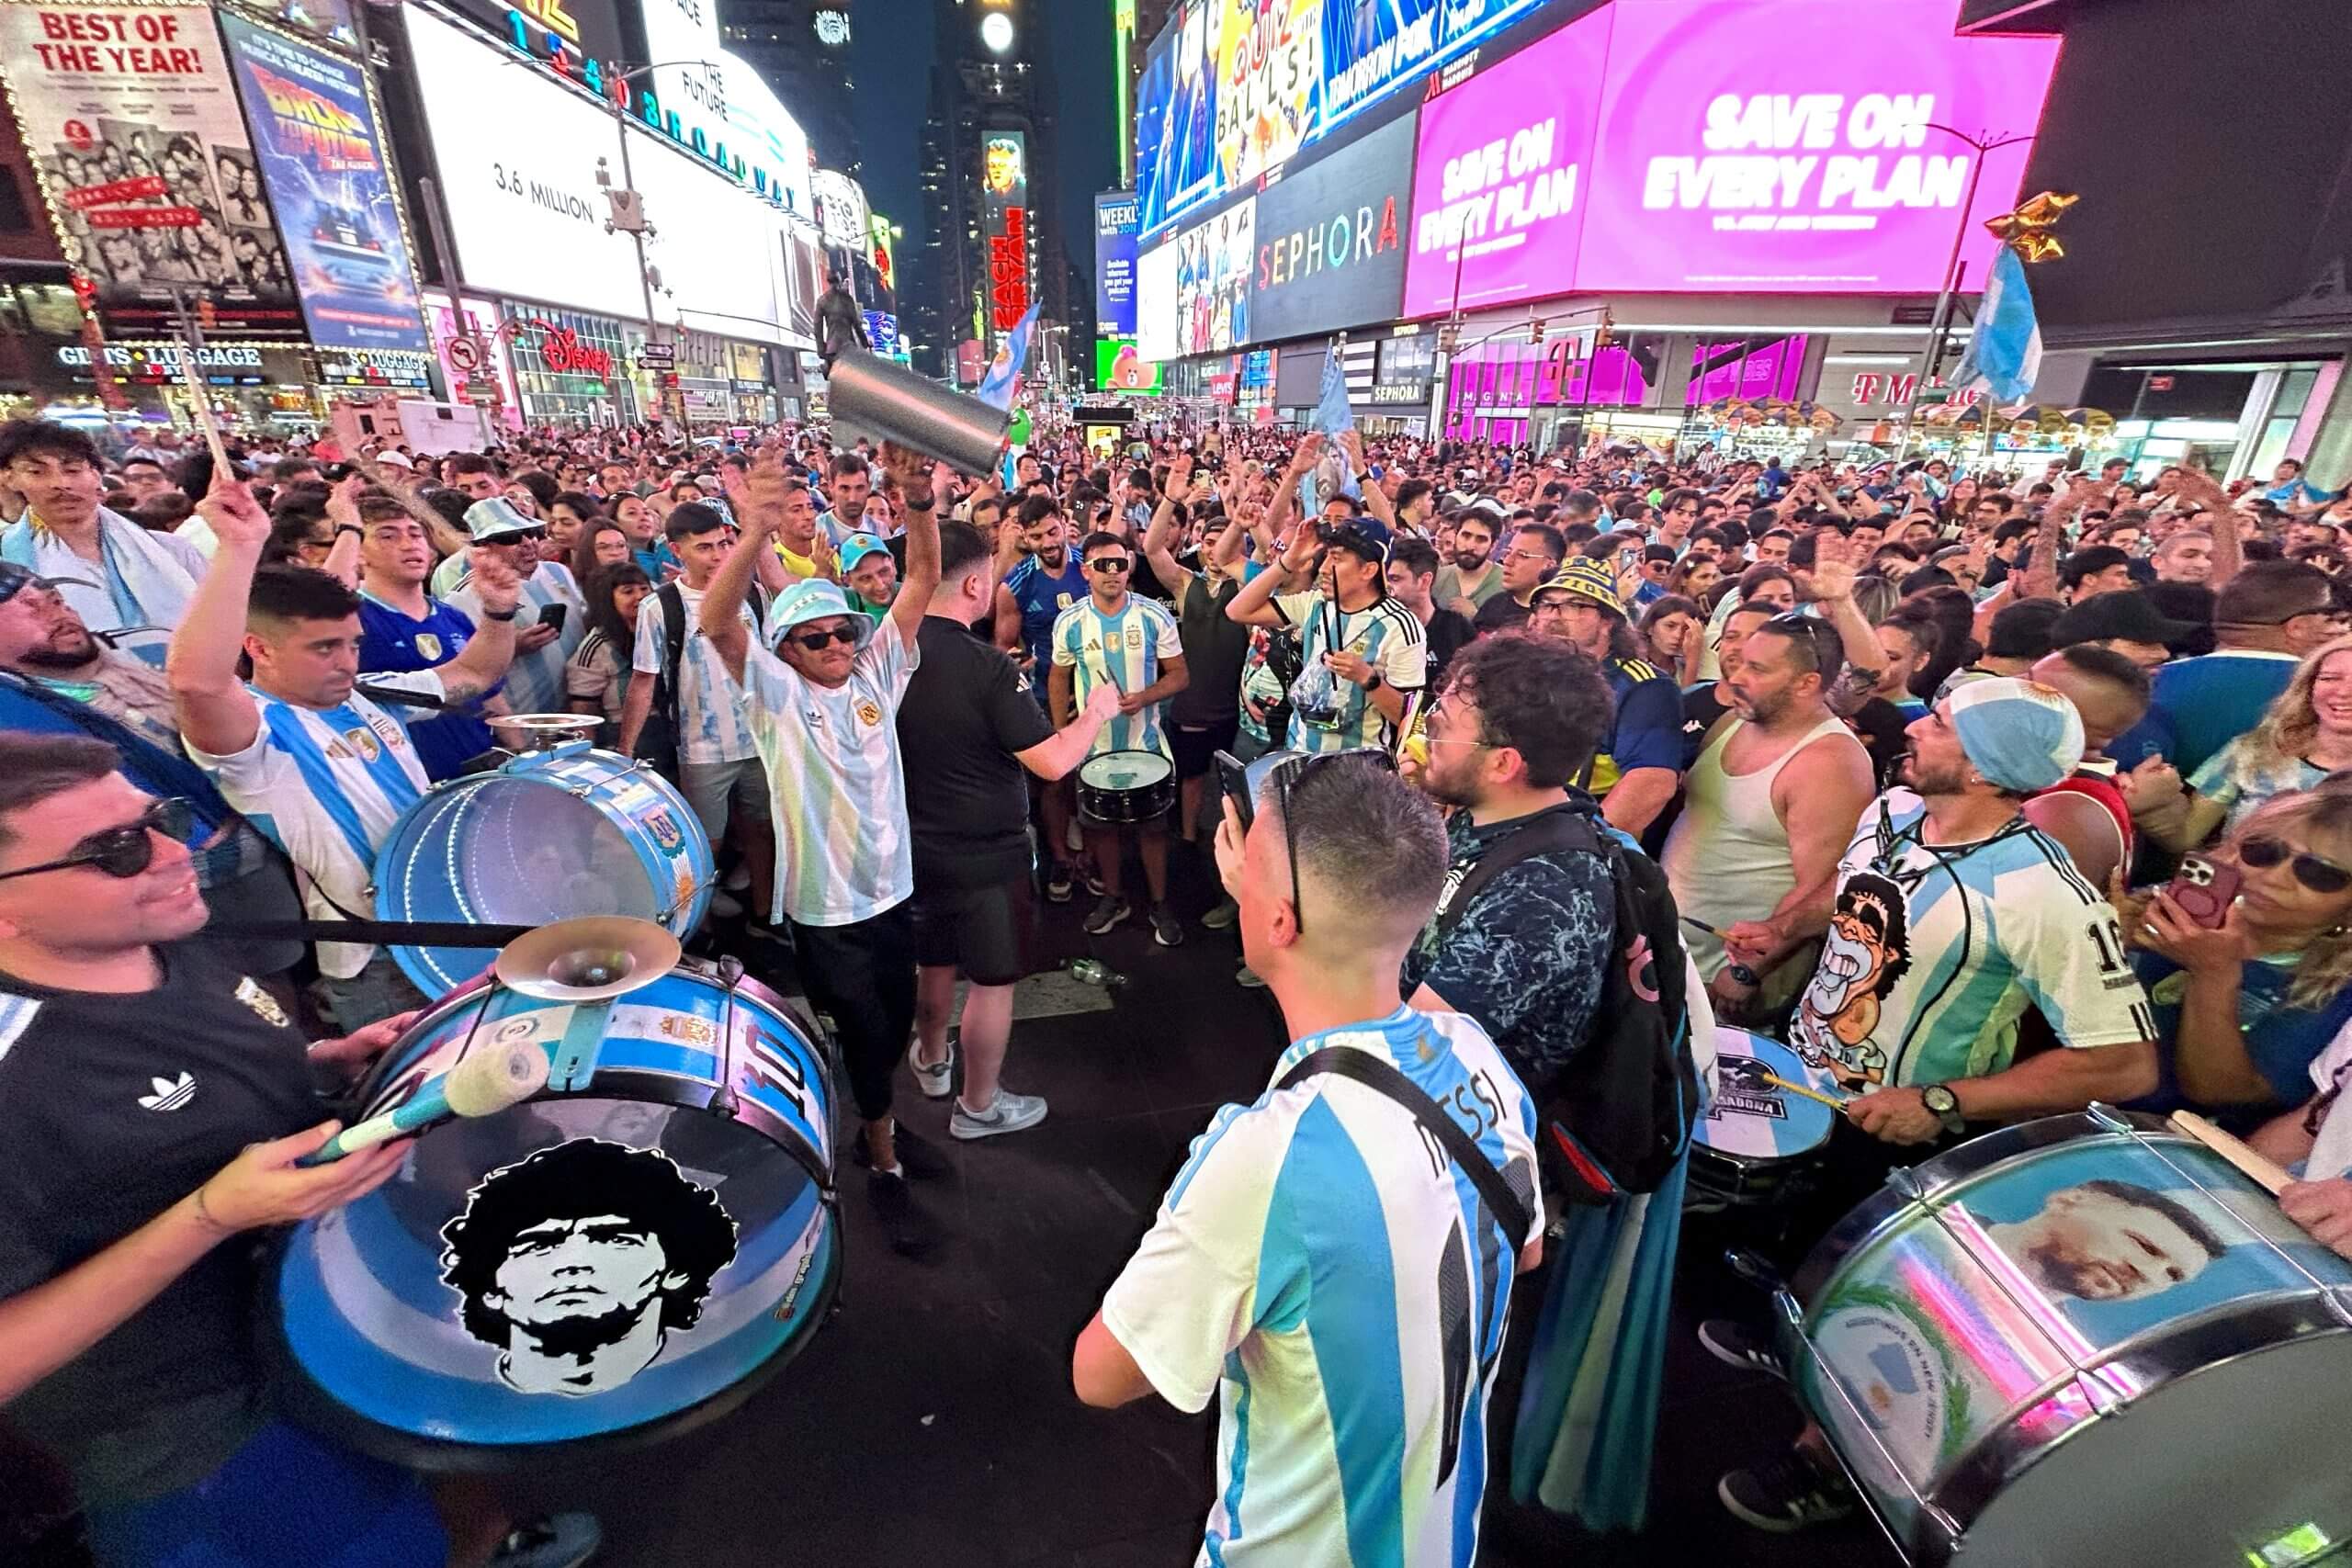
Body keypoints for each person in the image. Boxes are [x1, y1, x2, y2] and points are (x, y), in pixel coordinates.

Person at [0, 735, 597, 1568]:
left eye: (159, 820)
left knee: (416, 1505)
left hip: (327, 1321)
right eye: (119, 850)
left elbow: (170, 1090)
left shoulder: (156, 937)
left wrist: (325, 1061)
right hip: (205, 1428)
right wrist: (208, 1215)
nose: (179, 855)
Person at [1710, 678, 2160, 1532]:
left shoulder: (2044, 894)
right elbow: (1841, 899)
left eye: (1944, 724)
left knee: (1875, 1309)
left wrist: (1945, 1099)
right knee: (1805, 1254)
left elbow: (2126, 1061)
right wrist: (1777, 941)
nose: (1918, 725)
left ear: (1991, 772)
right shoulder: (1892, 807)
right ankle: (1788, 1330)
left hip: (1902, 1134)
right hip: (1813, 1087)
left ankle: (1830, 1462)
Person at [1071, 751, 1541, 1566]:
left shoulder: (1268, 1153)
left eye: (1243, 865)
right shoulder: (1475, 1053)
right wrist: (1270, 891)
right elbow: (1524, 1244)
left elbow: (1101, 1374)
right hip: (1444, 1540)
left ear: (1280, 918)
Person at [166, 473, 519, 1030]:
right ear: (257, 647)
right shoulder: (255, 736)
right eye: (324, 648)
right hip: (374, 955)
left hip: (447, 920)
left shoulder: (370, 694)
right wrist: (240, 547)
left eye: (353, 643)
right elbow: (196, 684)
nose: (347, 661)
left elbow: (474, 673)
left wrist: (498, 613)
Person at [706, 443, 944, 1255]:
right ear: (784, 651)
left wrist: (917, 504)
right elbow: (717, 623)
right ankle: (879, 1161)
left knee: (899, 1022)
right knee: (869, 1037)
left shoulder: (875, 674)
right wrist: (754, 532)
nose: (837, 645)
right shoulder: (774, 696)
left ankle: (882, 1126)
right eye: (814, 638)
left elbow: (916, 585)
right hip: (827, 909)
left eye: (844, 631)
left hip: (893, 893)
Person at [899, 519, 1119, 1138]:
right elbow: (1051, 760)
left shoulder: (888, 652)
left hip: (917, 844)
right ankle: (979, 1105)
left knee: (934, 962)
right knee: (993, 982)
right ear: (974, 583)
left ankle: (933, 1062)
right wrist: (1095, 713)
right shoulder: (987, 667)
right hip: (986, 852)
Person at [0, 561, 304, 984]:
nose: (60, 615)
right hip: (174, 884)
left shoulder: (135, 658)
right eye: (31, 609)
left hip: (268, 853)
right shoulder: (16, 716)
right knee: (245, 994)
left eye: (57, 601)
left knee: (290, 973)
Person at [1664, 610, 1875, 1020]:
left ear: (1806, 683)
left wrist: (1747, 970)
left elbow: (1822, 888)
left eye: (1757, 668)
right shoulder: (1735, 720)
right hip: (1678, 959)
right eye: (1739, 660)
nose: (1738, 676)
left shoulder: (1829, 762)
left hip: (1722, 983)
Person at [2118, 789, 2352, 1120]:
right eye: (2263, 851)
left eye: (2320, 873)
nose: (2273, 877)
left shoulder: (2338, 993)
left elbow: (2219, 1092)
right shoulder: (2179, 907)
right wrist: (2105, 937)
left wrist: (2213, 974)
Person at [618, 502, 783, 922]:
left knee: (762, 831)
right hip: (701, 749)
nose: (717, 556)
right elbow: (643, 680)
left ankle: (764, 914)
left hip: (759, 739)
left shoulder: (754, 594)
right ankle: (698, 922)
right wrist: (624, 752)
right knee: (701, 843)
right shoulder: (661, 608)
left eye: (724, 545)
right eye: (704, 547)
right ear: (676, 550)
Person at [1051, 529, 1189, 943]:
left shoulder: (1153, 616)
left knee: (1152, 829)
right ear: (1086, 571)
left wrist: (1144, 697)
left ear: (1129, 568)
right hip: (1094, 750)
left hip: (1146, 747)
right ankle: (1114, 897)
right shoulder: (1070, 621)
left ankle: (1160, 903)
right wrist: (1063, 734)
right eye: (1102, 565)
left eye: (1120, 564)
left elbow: (1180, 675)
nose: (1113, 573)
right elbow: (1058, 679)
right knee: (1101, 830)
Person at [2105, 561, 2344, 772]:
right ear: (2297, 627)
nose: (2340, 630)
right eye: (2331, 619)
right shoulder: (2323, 691)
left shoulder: (2149, 681)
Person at [1225, 513, 1424, 756]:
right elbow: (1237, 611)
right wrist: (1288, 561)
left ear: (1368, 570)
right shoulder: (1315, 604)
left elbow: (1411, 720)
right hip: (1300, 755)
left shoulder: (1400, 626)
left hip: (1358, 771)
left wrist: (1368, 679)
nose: (1323, 568)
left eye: (1336, 559)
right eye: (1326, 555)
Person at [1, 420, 205, 648]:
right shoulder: (7, 565)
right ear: (9, 478)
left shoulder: (172, 550)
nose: (60, 483)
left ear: (96, 475)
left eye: (72, 470)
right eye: (37, 472)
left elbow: (222, 624)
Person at [2135, 637, 2352, 850]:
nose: (2343, 692)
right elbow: (2184, 836)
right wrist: (2149, 802)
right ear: (2309, 686)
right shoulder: (2255, 751)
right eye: (2330, 678)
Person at [1525, 560, 1682, 837]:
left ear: (1608, 622)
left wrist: (1578, 845)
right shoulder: (1526, 671)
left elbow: (1651, 783)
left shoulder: (1643, 687)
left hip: (1574, 841)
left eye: (1573, 605)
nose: (1553, 615)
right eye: (1547, 604)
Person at [1140, 466, 1251, 848]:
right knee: (1190, 779)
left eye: (1224, 542)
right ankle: (1188, 842)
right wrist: (1170, 499)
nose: (1214, 550)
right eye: (1208, 543)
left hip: (1236, 710)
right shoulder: (1190, 584)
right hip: (1193, 706)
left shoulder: (1250, 587)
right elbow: (1152, 549)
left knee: (1233, 789)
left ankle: (1226, 846)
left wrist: (1242, 508)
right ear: (1200, 547)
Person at [354, 496, 497, 781]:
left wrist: (517, 749)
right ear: (357, 552)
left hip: (478, 772)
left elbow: (490, 694)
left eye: (415, 533)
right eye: (388, 536)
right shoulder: (349, 620)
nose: (409, 544)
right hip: (408, 784)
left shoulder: (452, 615)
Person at [444, 499, 585, 716]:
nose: (527, 542)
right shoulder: (463, 597)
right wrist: (511, 648)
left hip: (577, 712)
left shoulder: (559, 572)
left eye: (532, 532)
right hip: (523, 720)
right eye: (511, 538)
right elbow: (461, 669)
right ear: (484, 547)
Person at [566, 561, 651, 744]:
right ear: (608, 599)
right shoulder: (596, 648)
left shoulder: (661, 632)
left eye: (644, 589)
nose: (640, 597)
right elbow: (584, 715)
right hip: (622, 736)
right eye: (628, 592)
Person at [1383, 536, 1477, 697]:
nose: (1387, 587)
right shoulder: (1377, 626)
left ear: (1424, 580)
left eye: (1395, 579)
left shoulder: (1457, 629)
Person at [1475, 521, 1566, 632]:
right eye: (1508, 552)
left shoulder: (1556, 618)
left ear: (1549, 565)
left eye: (1522, 555)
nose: (1507, 561)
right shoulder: (1494, 604)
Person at [1432, 506, 1505, 616]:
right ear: (1456, 536)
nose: (1470, 546)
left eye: (1481, 539)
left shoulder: (1505, 583)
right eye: (1466, 536)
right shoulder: (1437, 578)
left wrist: (1476, 616)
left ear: (1493, 545)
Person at [816, 271, 871, 369]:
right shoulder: (847, 299)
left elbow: (817, 327)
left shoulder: (822, 301)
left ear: (828, 281)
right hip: (848, 347)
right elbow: (856, 324)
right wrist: (865, 342)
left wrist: (821, 349)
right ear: (840, 281)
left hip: (832, 349)